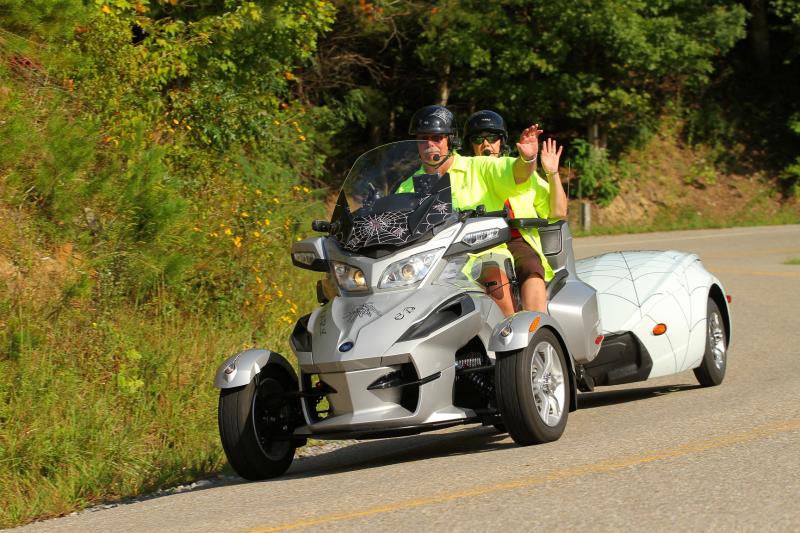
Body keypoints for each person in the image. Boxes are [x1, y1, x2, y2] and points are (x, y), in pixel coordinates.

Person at [461, 109, 568, 314]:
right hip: (480, 242)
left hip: (517, 239)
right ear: (470, 144)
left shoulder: (520, 170)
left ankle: (537, 328)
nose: (486, 144)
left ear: (502, 141)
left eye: (492, 137)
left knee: (531, 267)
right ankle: (508, 333)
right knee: (492, 276)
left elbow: (558, 211)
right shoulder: (465, 172)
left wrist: (552, 173)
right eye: (478, 139)